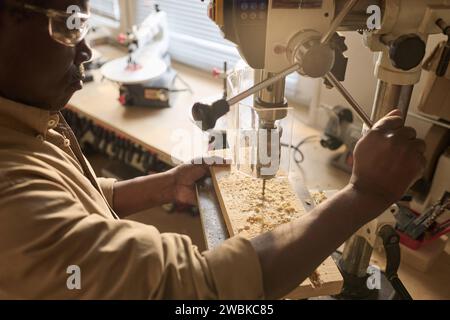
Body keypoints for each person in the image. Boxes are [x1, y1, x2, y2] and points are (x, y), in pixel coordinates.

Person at [0, 0, 426, 299]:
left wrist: (164, 185)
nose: (87, 49)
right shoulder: (13, 205)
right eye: (69, 24)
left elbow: (77, 199)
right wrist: (364, 196)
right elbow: (198, 290)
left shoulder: (22, 123)